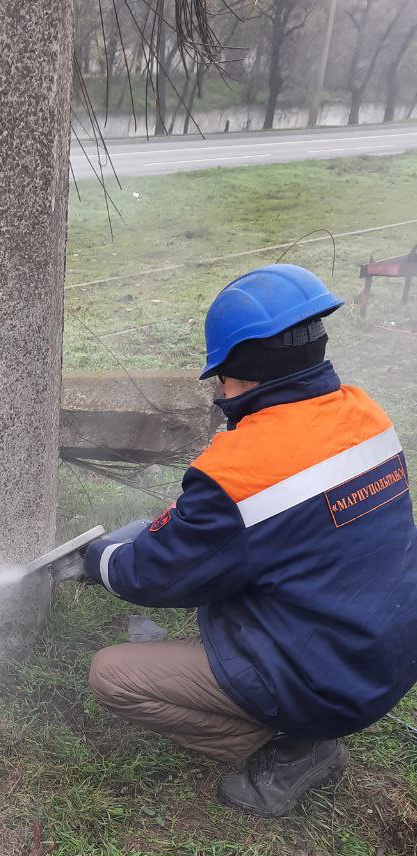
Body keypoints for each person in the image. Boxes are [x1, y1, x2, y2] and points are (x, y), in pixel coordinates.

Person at [64, 263, 417, 817]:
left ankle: (296, 747)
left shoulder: (239, 470)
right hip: (388, 650)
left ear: (242, 372)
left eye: (221, 376)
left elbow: (153, 575)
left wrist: (99, 559)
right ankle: (304, 712)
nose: (221, 388)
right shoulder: (364, 413)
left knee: (112, 674)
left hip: (329, 678)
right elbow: (275, 525)